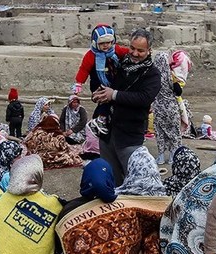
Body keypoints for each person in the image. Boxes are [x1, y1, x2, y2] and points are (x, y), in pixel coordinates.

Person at [92, 28, 161, 186]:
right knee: (110, 178)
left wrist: (114, 94)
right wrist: (98, 94)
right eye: (132, 48)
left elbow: (144, 98)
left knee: (133, 181)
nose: (135, 53)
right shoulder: (120, 65)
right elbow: (105, 84)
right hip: (108, 133)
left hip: (130, 138)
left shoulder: (152, 74)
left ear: (149, 50)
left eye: (140, 50)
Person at [73, 23, 129, 135]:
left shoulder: (115, 50)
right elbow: (84, 69)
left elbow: (127, 53)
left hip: (114, 83)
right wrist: (78, 83)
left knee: (115, 101)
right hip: (98, 84)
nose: (106, 46)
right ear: (95, 43)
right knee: (104, 99)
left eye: (108, 42)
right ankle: (101, 119)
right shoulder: (91, 55)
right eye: (102, 43)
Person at [152, 50, 182, 165]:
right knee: (174, 131)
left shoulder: (153, 76)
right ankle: (172, 156)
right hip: (170, 108)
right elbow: (178, 92)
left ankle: (160, 156)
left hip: (158, 108)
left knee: (160, 132)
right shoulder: (171, 75)